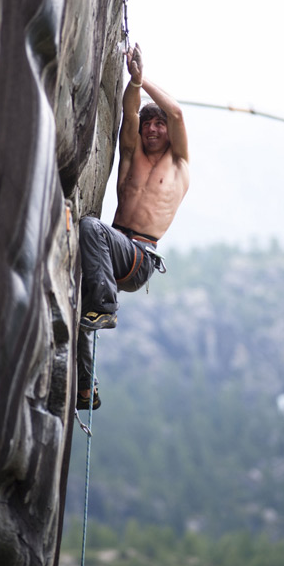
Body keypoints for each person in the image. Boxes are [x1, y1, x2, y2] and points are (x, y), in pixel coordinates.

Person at [76, 43, 190, 410]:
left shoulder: (178, 164)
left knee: (90, 228)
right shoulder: (132, 154)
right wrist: (133, 88)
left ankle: (106, 306)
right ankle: (84, 388)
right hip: (111, 251)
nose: (153, 129)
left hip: (138, 256)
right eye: (148, 124)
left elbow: (176, 111)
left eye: (159, 125)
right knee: (77, 302)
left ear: (169, 132)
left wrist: (141, 78)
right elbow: (128, 112)